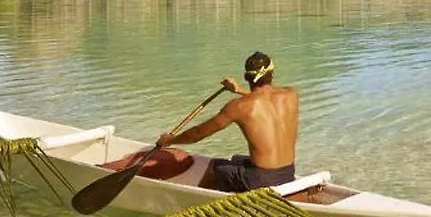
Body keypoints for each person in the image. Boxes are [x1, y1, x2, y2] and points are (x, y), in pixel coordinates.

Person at [102, 51, 300, 192]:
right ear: (272, 74)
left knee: (216, 167)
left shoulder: (238, 107)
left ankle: (197, 203)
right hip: (287, 173)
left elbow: (198, 135)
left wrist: (169, 140)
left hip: (262, 179)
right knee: (236, 159)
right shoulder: (291, 95)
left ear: (247, 77)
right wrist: (238, 90)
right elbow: (264, 102)